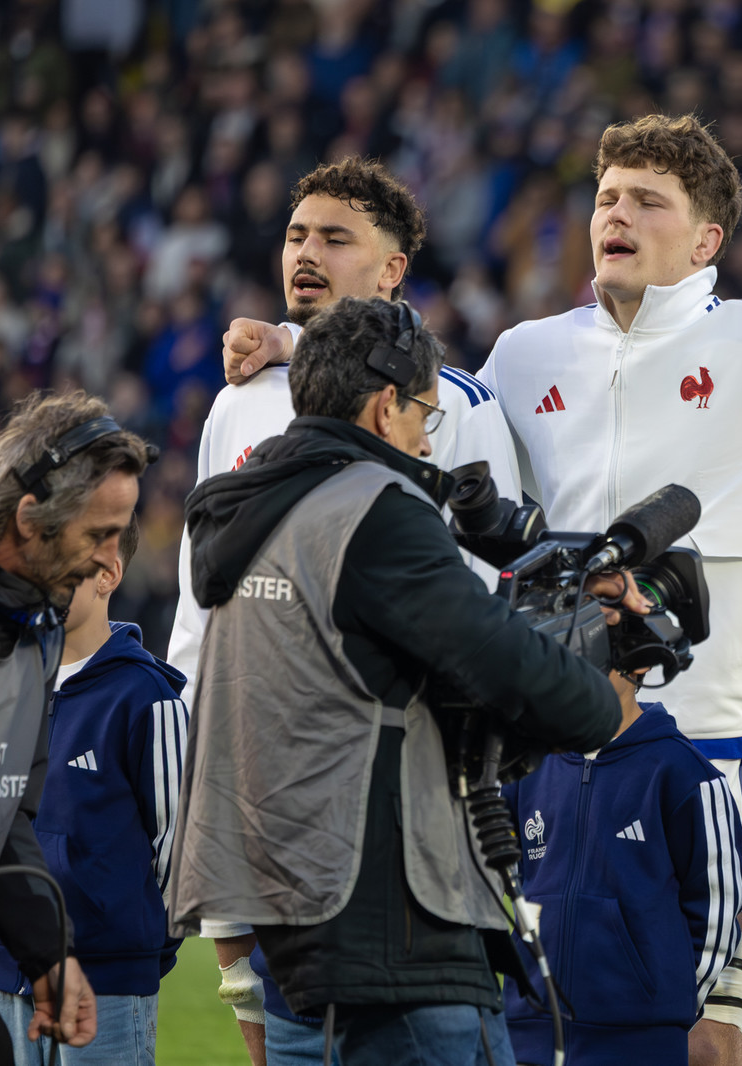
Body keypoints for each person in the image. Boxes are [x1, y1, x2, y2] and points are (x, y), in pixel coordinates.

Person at [225, 115, 742, 1060]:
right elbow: (426, 406)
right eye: (606, 197)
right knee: (545, 1029)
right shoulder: (527, 354)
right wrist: (294, 344)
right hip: (559, 740)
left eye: (647, 201)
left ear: (707, 240)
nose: (615, 214)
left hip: (718, 744)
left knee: (701, 1041)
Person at [167, 297, 621, 1066]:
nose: (425, 439)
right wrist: (602, 683)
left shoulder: (243, 512)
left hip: (291, 919)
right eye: (423, 416)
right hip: (392, 919)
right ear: (385, 408)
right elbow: (499, 660)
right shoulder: (371, 508)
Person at [172, 156, 520, 1066]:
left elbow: (488, 594)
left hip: (402, 784)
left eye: (336, 237)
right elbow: (197, 607)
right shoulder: (237, 400)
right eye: (296, 236)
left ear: (394, 268)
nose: (307, 254)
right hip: (259, 778)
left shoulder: (462, 408)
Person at [0, 391, 153, 1062]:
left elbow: (2, 812)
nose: (110, 560)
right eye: (98, 533)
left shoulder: (37, 627)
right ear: (28, 519)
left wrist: (49, 952)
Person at [0, 515, 185, 1066]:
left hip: (109, 983)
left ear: (109, 574)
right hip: (6, 972)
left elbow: (177, 848)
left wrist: (130, 946)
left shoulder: (148, 697)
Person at [502, 667, 742, 1064]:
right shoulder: (523, 770)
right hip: (528, 1035)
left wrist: (664, 1002)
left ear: (640, 664)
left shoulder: (687, 775)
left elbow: (717, 913)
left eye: (606, 646)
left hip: (641, 1042)